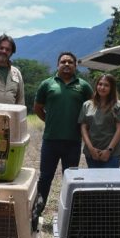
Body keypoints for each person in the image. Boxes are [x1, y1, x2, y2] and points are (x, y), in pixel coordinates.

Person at [34, 51, 94, 209]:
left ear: (75, 66)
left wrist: (85, 126)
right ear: (58, 65)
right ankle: (37, 212)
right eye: (63, 62)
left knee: (70, 179)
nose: (66, 64)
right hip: (50, 140)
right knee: (45, 177)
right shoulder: (47, 84)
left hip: (73, 142)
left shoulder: (83, 86)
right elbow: (38, 107)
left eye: (70, 62)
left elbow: (93, 108)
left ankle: (67, 214)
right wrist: (51, 120)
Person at [78, 74, 120, 168]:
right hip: (91, 152)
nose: (102, 87)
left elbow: (119, 130)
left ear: (112, 88)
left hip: (112, 154)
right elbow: (83, 128)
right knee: (94, 181)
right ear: (96, 86)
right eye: (100, 84)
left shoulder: (118, 106)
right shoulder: (87, 105)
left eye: (106, 85)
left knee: (110, 182)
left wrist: (109, 151)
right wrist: (91, 149)